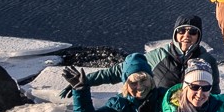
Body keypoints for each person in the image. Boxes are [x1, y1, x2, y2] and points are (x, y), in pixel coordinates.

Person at [65, 13, 214, 94]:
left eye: (193, 31)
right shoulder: (158, 55)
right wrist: (85, 82)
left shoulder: (207, 60)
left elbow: (214, 92)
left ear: (198, 36)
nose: (186, 35)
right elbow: (119, 71)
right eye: (181, 30)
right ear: (175, 34)